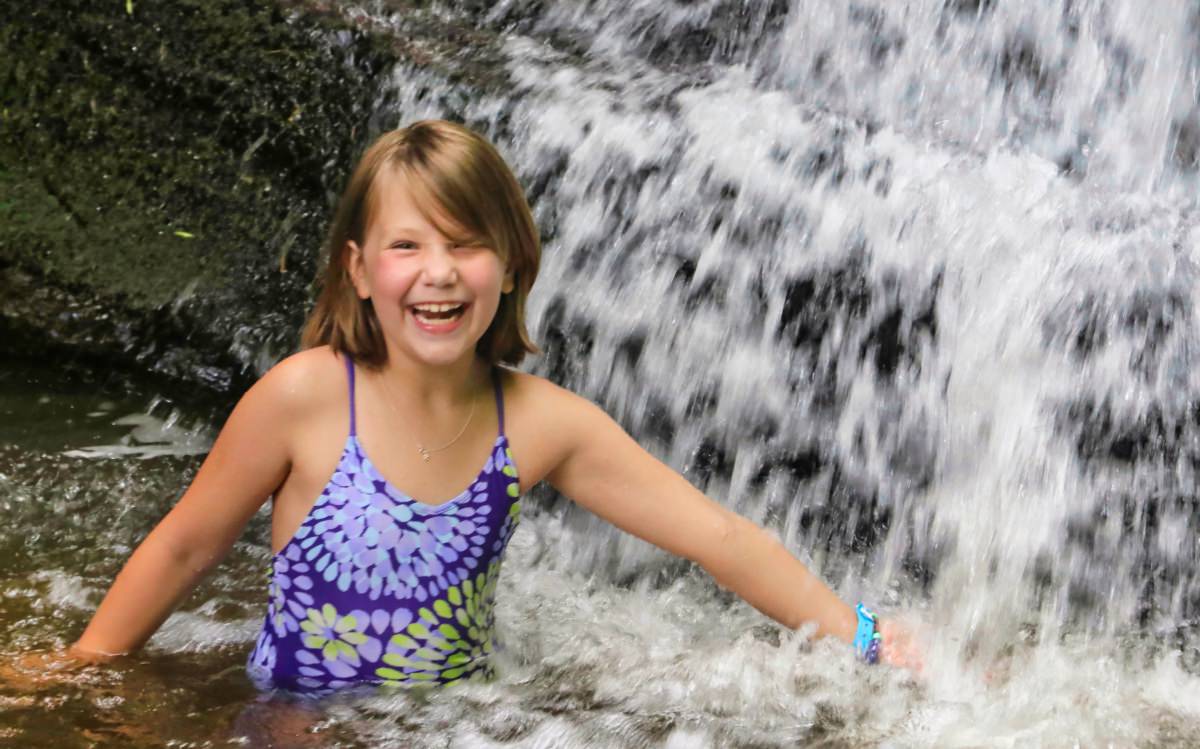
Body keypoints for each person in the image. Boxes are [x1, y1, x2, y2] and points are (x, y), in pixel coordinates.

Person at [69, 120, 918, 693]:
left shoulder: (543, 425)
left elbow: (718, 537)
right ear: (361, 273)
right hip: (296, 722)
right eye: (409, 246)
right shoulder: (307, 395)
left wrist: (868, 639)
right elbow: (185, 546)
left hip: (454, 723)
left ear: (510, 265)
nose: (438, 271)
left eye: (466, 244)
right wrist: (79, 671)